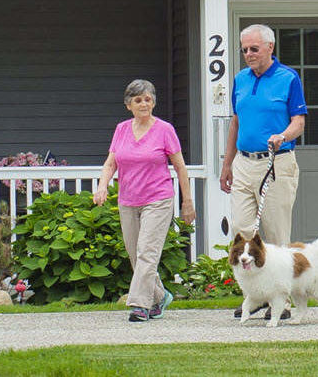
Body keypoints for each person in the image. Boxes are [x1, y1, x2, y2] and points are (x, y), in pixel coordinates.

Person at [219, 24, 306, 319]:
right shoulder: (240, 79)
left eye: (253, 49)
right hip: (244, 163)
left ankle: (281, 302)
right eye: (244, 49)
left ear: (270, 47)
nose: (248, 54)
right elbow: (236, 123)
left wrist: (283, 135)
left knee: (276, 235)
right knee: (242, 231)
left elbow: (299, 122)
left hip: (277, 162)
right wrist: (227, 163)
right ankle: (254, 297)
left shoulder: (288, 78)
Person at [95, 79, 195, 322]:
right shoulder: (121, 130)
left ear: (153, 103)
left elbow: (180, 168)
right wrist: (102, 187)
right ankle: (160, 297)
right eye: (138, 100)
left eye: (148, 99)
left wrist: (187, 201)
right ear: (128, 104)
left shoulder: (165, 130)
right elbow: (111, 163)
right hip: (128, 200)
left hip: (158, 199)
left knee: (147, 252)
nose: (143, 104)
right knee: (135, 255)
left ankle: (140, 305)